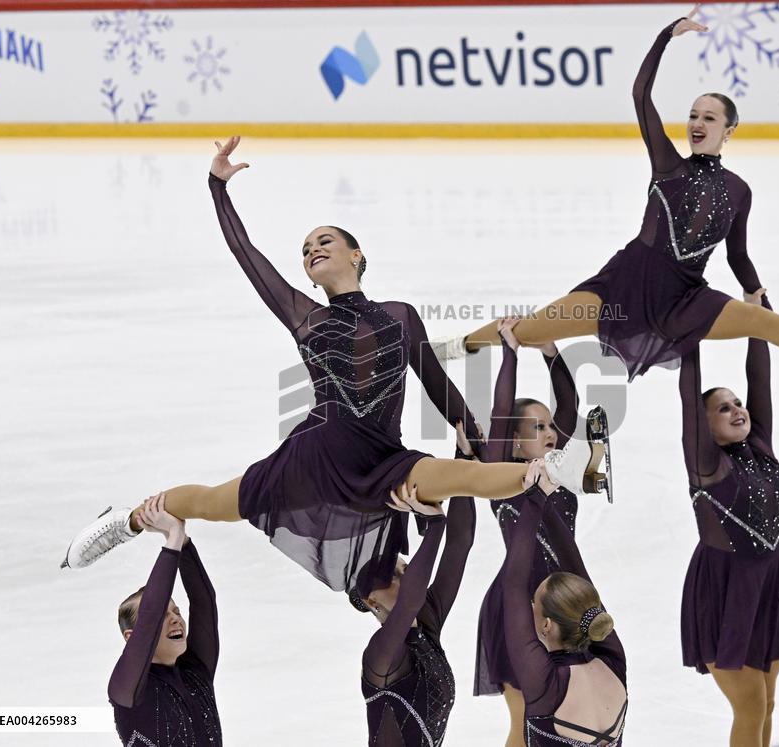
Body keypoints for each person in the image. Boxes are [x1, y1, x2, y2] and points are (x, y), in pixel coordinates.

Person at [62, 137, 608, 589]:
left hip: (381, 457)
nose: (312, 250)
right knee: (211, 501)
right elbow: (247, 257)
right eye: (304, 249)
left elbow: (437, 387)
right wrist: (218, 187)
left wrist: (468, 430)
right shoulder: (307, 318)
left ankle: (556, 470)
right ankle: (128, 521)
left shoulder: (400, 316)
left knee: (462, 476)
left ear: (357, 255)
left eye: (324, 241)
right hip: (316, 453)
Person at [433, 6, 779, 381]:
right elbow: (640, 94)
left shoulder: (739, 190)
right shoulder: (668, 164)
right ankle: (452, 348)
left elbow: (737, 254)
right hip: (627, 283)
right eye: (693, 114)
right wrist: (665, 36)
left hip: (684, 298)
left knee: (766, 324)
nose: (696, 123)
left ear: (729, 130)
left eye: (709, 118)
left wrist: (754, 290)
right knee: (531, 328)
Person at [679, 289, 779, 747]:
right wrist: (687, 340)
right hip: (725, 590)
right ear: (704, 426)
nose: (738, 409)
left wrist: (757, 320)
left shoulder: (759, 444)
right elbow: (689, 396)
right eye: (723, 408)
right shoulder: (707, 465)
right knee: (748, 704)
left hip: (769, 584)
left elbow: (759, 379)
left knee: (766, 704)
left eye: (737, 403)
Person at [473, 318, 584, 747]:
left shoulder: (557, 471)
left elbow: (570, 412)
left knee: (562, 719)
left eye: (549, 426)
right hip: (519, 605)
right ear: (515, 442)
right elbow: (501, 418)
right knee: (525, 719)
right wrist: (510, 353)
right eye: (539, 428)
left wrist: (551, 352)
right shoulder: (502, 478)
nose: (552, 433)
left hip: (565, 601)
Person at [501, 461, 628, 746]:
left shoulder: (546, 682)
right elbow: (578, 572)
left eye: (533, 604)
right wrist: (541, 504)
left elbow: (513, 586)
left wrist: (536, 500)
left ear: (546, 625)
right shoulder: (612, 661)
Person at [353, 461, 474, 746]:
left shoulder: (427, 622)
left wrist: (464, 464)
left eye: (406, 568)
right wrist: (434, 525)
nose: (406, 574)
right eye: (394, 576)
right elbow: (409, 602)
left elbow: (460, 543)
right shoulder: (382, 653)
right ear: (373, 600)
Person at [108, 494, 221, 747]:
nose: (175, 620)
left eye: (176, 611)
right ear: (131, 638)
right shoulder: (127, 690)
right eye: (163, 614)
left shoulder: (196, 671)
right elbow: (148, 615)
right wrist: (171, 540)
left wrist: (182, 540)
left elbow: (204, 602)